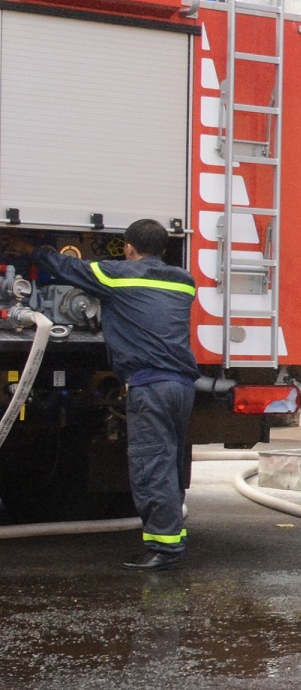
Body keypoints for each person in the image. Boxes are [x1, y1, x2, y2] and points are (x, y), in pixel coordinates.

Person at [39, 220, 198, 571]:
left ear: (129, 248)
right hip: (181, 386)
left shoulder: (117, 275)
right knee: (169, 463)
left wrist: (36, 251)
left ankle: (165, 548)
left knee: (151, 464)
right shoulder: (184, 282)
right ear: (165, 250)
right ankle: (173, 535)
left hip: (150, 386)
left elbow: (69, 266)